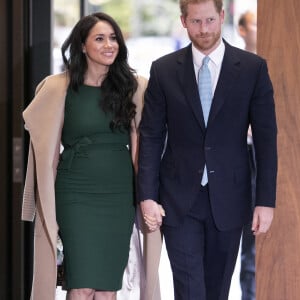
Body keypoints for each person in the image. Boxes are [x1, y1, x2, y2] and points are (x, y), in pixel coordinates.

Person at [137, 0, 277, 299]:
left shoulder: (253, 69)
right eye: (196, 21)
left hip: (230, 196)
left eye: (210, 20)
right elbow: (150, 135)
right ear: (184, 21)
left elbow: (266, 139)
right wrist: (147, 196)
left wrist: (265, 201)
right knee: (189, 289)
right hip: (177, 199)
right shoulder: (163, 70)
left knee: (217, 290)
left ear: (222, 17)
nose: (204, 29)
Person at [22, 12, 148, 300]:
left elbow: (140, 151)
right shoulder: (60, 87)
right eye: (100, 38)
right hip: (75, 194)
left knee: (106, 289)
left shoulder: (134, 87)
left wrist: (146, 198)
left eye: (114, 38)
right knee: (81, 286)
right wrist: (46, 210)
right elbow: (48, 155)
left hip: (118, 195)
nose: (109, 44)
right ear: (82, 45)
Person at [238, 10, 258, 300]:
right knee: (246, 242)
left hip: (265, 156)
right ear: (242, 30)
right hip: (241, 156)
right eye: (256, 23)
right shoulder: (234, 67)